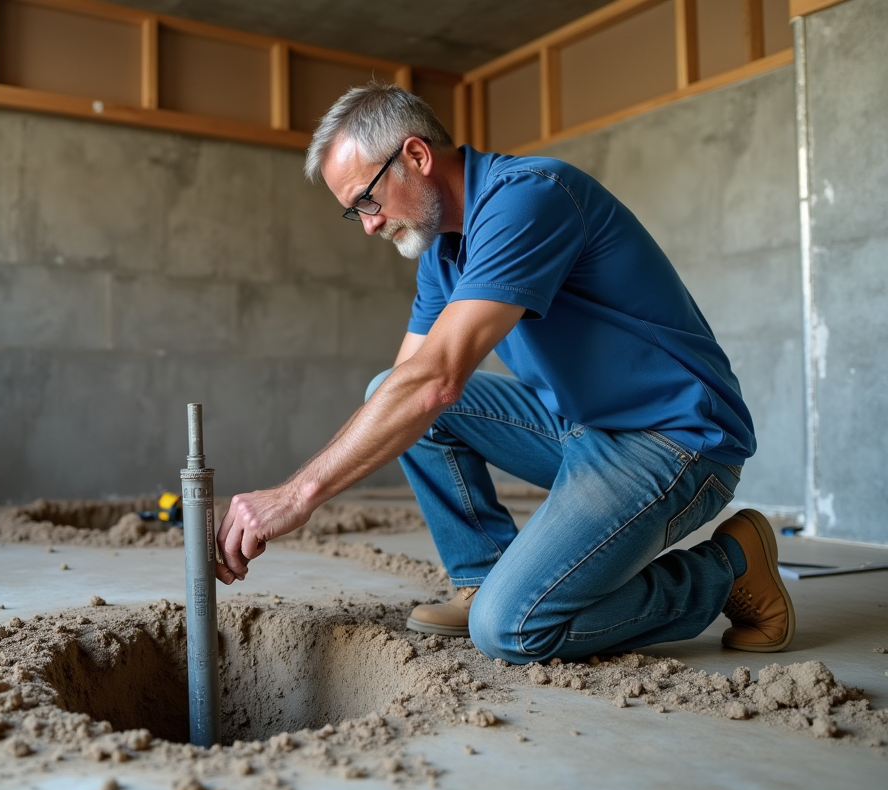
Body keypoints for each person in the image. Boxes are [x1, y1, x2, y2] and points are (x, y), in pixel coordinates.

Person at [213, 83, 794, 662]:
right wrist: (301, 487)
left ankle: (730, 568)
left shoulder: (529, 197)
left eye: (367, 199)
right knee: (386, 393)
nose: (368, 224)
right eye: (355, 211)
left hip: (674, 439)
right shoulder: (443, 252)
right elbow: (402, 385)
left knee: (512, 629)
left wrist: (296, 495)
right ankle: (483, 578)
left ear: (415, 156)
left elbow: (433, 382)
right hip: (582, 427)